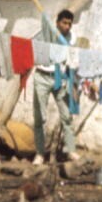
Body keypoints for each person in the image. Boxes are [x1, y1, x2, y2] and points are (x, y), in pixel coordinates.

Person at [32, 9, 79, 164]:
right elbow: (31, 48)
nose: (67, 26)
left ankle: (71, 150)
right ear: (57, 23)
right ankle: (40, 153)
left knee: (67, 116)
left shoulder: (71, 38)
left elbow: (73, 59)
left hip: (61, 77)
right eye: (64, 23)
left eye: (69, 24)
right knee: (40, 117)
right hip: (42, 77)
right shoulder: (44, 34)